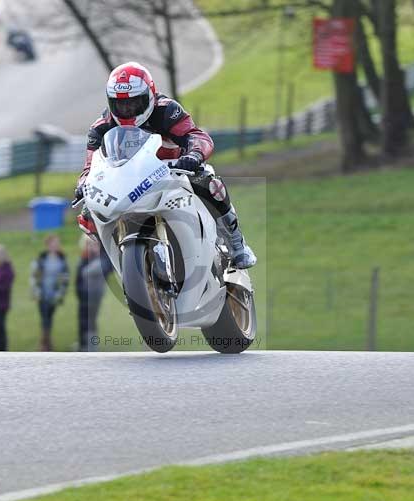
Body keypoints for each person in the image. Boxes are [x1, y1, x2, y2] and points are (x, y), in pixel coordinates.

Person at [73, 61, 256, 269]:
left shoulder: (167, 110)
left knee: (210, 183)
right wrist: (83, 185)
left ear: (150, 95)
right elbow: (90, 166)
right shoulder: (101, 127)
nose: (127, 110)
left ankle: (236, 244)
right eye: (120, 104)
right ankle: (123, 264)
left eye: (134, 103)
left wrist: (194, 155)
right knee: (88, 213)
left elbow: (195, 135)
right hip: (127, 180)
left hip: (172, 169)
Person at [30, 235, 69, 351]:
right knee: (44, 317)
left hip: (54, 294)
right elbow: (35, 275)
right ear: (48, 245)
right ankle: (44, 343)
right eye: (53, 243)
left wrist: (60, 293)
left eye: (57, 243)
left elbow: (65, 278)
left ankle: (46, 342)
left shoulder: (62, 259)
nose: (56, 245)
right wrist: (36, 290)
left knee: (49, 317)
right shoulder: (42, 258)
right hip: (42, 293)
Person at [76, 235, 111, 351]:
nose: (90, 247)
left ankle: (91, 346)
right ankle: (82, 344)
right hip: (83, 294)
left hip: (95, 295)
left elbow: (87, 272)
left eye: (93, 244)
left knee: (90, 320)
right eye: (89, 244)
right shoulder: (85, 258)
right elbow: (79, 276)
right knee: (82, 319)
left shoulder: (102, 259)